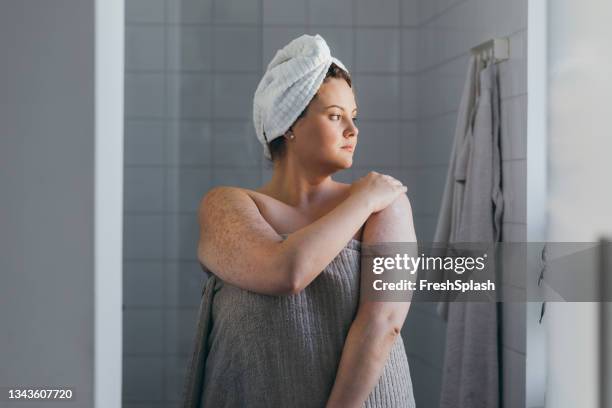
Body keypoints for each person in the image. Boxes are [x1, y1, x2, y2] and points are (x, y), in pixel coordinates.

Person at [182, 34, 417, 408]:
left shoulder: (388, 206)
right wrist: (363, 199)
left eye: (353, 118)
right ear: (289, 124)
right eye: (335, 116)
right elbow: (285, 271)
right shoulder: (227, 204)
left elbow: (383, 323)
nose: (353, 131)